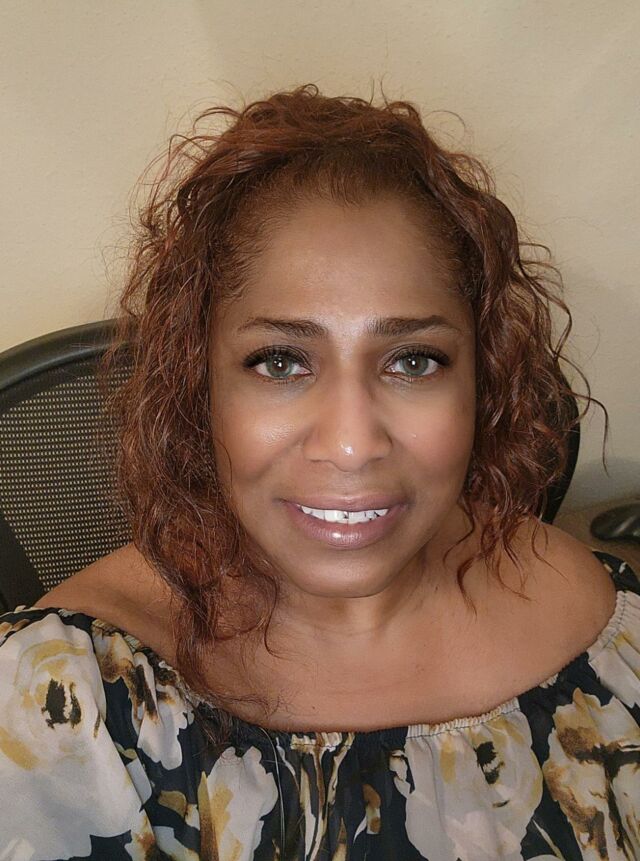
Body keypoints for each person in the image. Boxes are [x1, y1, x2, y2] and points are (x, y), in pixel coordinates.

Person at [1, 83, 638, 860]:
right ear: (199, 385)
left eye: (413, 360)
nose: (351, 444)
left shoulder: (607, 631)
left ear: (482, 381)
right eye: (280, 361)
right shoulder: (60, 711)